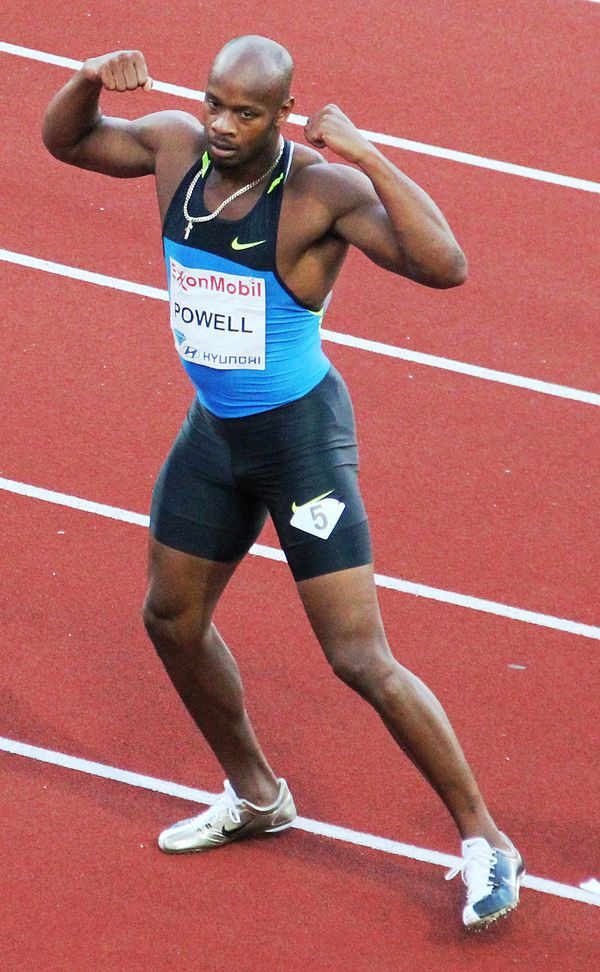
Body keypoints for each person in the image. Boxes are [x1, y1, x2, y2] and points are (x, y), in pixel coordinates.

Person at [42, 35, 524, 929]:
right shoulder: (176, 148)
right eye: (217, 103)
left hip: (299, 444)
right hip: (216, 435)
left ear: (285, 112)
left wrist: (372, 157)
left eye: (247, 113)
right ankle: (259, 796)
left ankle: (486, 842)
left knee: (357, 657)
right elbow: (67, 143)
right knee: (170, 620)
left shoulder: (318, 192)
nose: (223, 125)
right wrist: (81, 80)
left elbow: (444, 265)